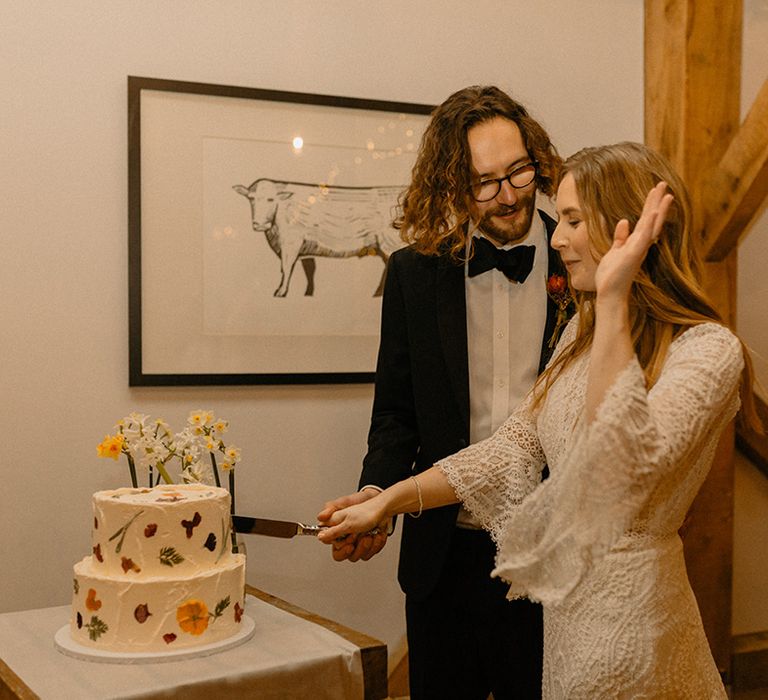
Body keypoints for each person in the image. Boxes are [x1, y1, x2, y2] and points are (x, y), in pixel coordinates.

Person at [319, 141, 761, 698]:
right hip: (566, 619)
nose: (556, 237)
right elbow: (515, 448)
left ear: (627, 227)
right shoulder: (581, 333)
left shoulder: (709, 351)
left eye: (573, 219)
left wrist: (616, 297)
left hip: (636, 626)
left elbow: (616, 470)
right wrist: (387, 499)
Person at [318, 85, 565, 699]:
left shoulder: (581, 262)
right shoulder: (413, 272)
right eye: (485, 182)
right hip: (443, 556)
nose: (508, 195)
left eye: (519, 172)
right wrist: (379, 495)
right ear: (454, 186)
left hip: (553, 554)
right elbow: (396, 412)